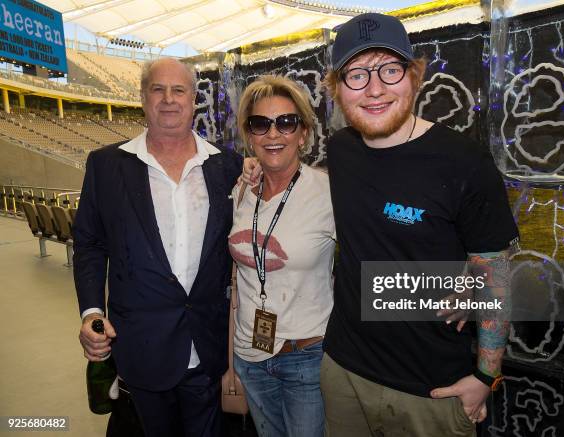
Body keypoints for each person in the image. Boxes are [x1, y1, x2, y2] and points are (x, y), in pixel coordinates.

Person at [244, 13, 518, 437]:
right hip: (342, 372)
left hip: (430, 390)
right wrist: (255, 164)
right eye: (357, 74)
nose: (374, 88)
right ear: (337, 89)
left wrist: (485, 377)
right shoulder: (342, 150)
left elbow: (496, 272)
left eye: (389, 69)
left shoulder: (465, 162)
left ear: (414, 76)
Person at [73, 58, 242, 437]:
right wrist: (90, 313)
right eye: (158, 89)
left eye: (179, 90)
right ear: (143, 98)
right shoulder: (105, 166)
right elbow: (89, 245)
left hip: (208, 347)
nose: (169, 99)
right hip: (140, 348)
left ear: (193, 99)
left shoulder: (227, 166)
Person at [228, 75, 335, 437]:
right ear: (249, 134)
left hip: (304, 356)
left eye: (286, 123)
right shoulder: (241, 189)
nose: (273, 134)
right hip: (249, 354)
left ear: (303, 133)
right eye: (260, 124)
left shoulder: (327, 193)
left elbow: (377, 250)